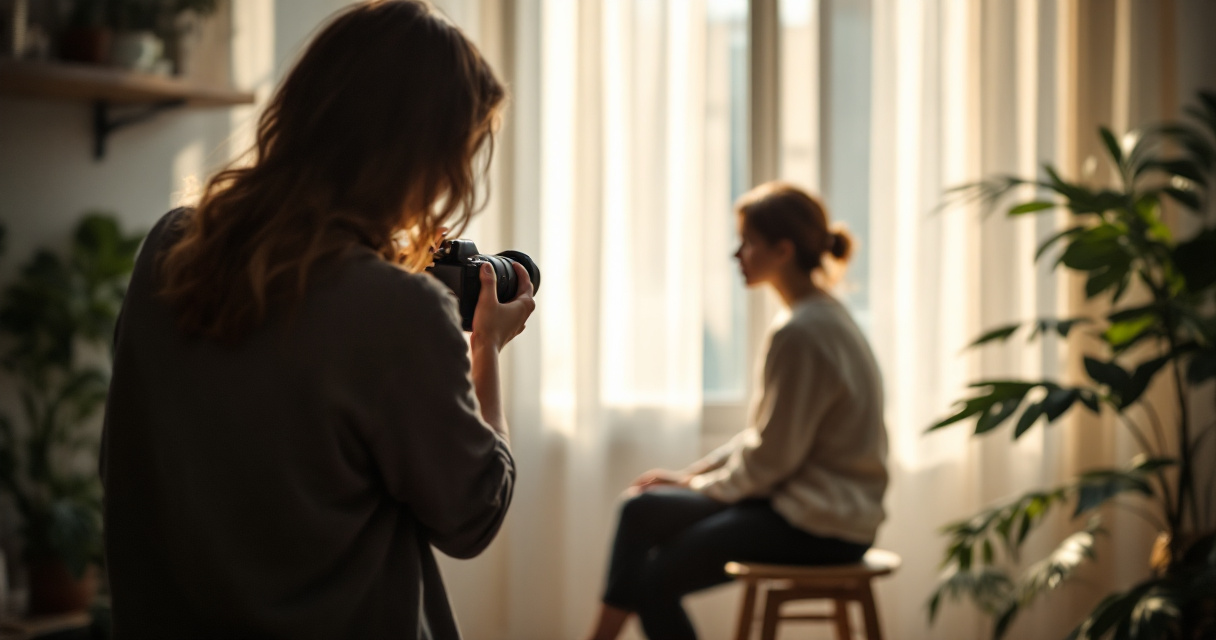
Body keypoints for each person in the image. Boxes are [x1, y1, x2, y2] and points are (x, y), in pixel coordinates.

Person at [99, 2, 533, 638]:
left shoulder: (172, 247)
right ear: (426, 158)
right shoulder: (396, 310)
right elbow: (473, 516)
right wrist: (485, 346)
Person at [585, 182, 889, 640]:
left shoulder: (802, 332)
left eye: (748, 242)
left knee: (650, 574)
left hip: (818, 525)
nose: (737, 254)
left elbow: (771, 459)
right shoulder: (822, 318)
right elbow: (767, 436)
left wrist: (696, 484)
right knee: (641, 510)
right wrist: (695, 473)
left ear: (783, 250)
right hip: (811, 511)